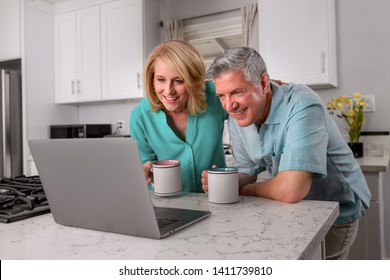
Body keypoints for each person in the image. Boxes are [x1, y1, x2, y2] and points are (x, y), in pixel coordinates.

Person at [202, 47, 371, 260]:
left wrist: (243, 190)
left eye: (237, 92)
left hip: (336, 209)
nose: (229, 105)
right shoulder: (239, 117)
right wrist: (228, 182)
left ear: (263, 83)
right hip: (294, 210)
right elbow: (247, 170)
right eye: (222, 96)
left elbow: (291, 189)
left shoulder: (302, 103)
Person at [130, 40, 228, 193]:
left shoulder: (216, 95)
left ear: (193, 81)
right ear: (152, 79)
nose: (168, 91)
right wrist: (147, 176)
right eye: (161, 80)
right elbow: (146, 167)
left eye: (178, 81)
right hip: (171, 203)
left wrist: (271, 88)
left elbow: (246, 94)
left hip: (219, 196)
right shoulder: (140, 117)